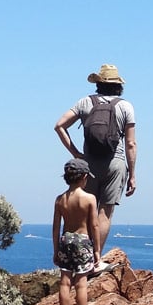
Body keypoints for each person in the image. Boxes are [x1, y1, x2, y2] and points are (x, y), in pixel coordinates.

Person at [54, 63, 136, 258]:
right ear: (118, 85)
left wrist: (76, 153)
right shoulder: (125, 106)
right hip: (115, 164)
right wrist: (132, 175)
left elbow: (59, 126)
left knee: (84, 212)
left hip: (88, 165)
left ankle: (75, 257)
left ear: (98, 83)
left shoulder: (85, 103)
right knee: (104, 213)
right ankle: (94, 258)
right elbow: (131, 143)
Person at [52, 158, 102, 305]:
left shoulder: (60, 200)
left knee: (64, 282)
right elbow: (95, 226)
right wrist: (96, 251)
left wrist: (56, 250)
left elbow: (56, 227)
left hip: (66, 240)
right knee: (81, 283)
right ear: (84, 177)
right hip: (82, 241)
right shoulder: (89, 199)